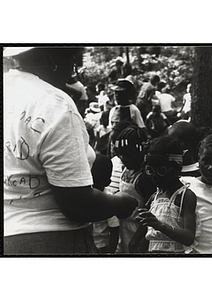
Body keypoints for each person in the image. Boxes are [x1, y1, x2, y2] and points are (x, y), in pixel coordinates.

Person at [3, 47, 137, 255]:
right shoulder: (54, 104)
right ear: (53, 58)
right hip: (50, 240)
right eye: (73, 62)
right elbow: (76, 204)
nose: (71, 73)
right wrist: (121, 203)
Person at [129, 136, 197, 254]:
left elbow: (189, 237)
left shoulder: (185, 196)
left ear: (176, 168)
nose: (154, 176)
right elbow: (146, 234)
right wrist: (134, 243)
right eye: (150, 170)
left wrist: (160, 225)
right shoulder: (154, 197)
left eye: (161, 171)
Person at [113, 124, 157, 253]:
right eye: (120, 154)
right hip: (122, 227)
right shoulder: (125, 169)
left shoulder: (144, 178)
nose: (123, 158)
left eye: (128, 154)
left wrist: (137, 240)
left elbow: (150, 211)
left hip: (137, 231)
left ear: (140, 152)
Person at [91, 154, 120, 254]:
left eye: (97, 182)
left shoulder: (109, 199)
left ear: (107, 182)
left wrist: (110, 253)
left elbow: (115, 229)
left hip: (102, 247)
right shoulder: (84, 195)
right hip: (86, 244)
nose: (93, 186)